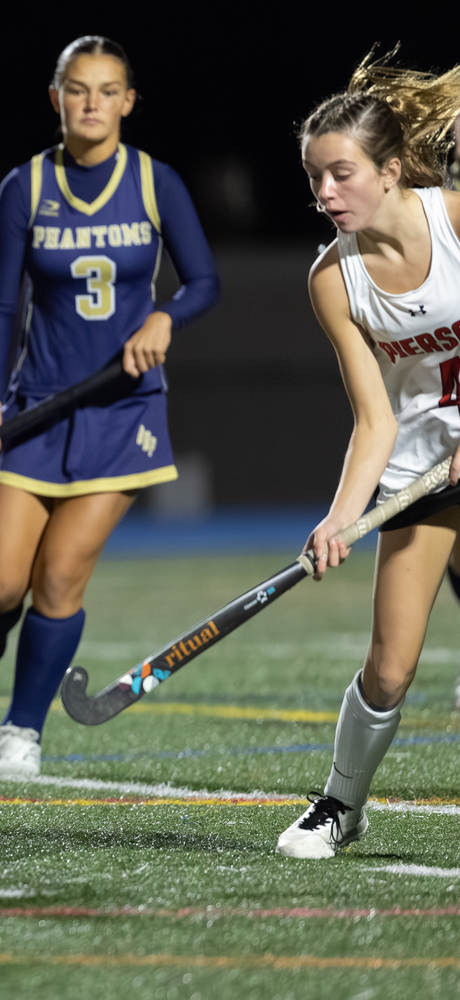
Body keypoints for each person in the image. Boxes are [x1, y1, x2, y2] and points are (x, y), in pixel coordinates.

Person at [0, 36, 219, 774]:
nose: (93, 103)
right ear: (56, 98)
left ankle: (21, 732)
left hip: (123, 415)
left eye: (108, 90)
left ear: (128, 101)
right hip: (36, 408)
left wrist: (165, 319)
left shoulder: (155, 183)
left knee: (60, 576)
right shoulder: (24, 187)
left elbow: (203, 284)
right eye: (78, 89)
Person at [277, 53, 460, 859]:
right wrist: (339, 517)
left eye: (341, 175)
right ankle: (339, 808)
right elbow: (374, 418)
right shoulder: (333, 279)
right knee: (388, 667)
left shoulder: (457, 220)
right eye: (316, 178)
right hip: (425, 465)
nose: (325, 194)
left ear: (390, 171)